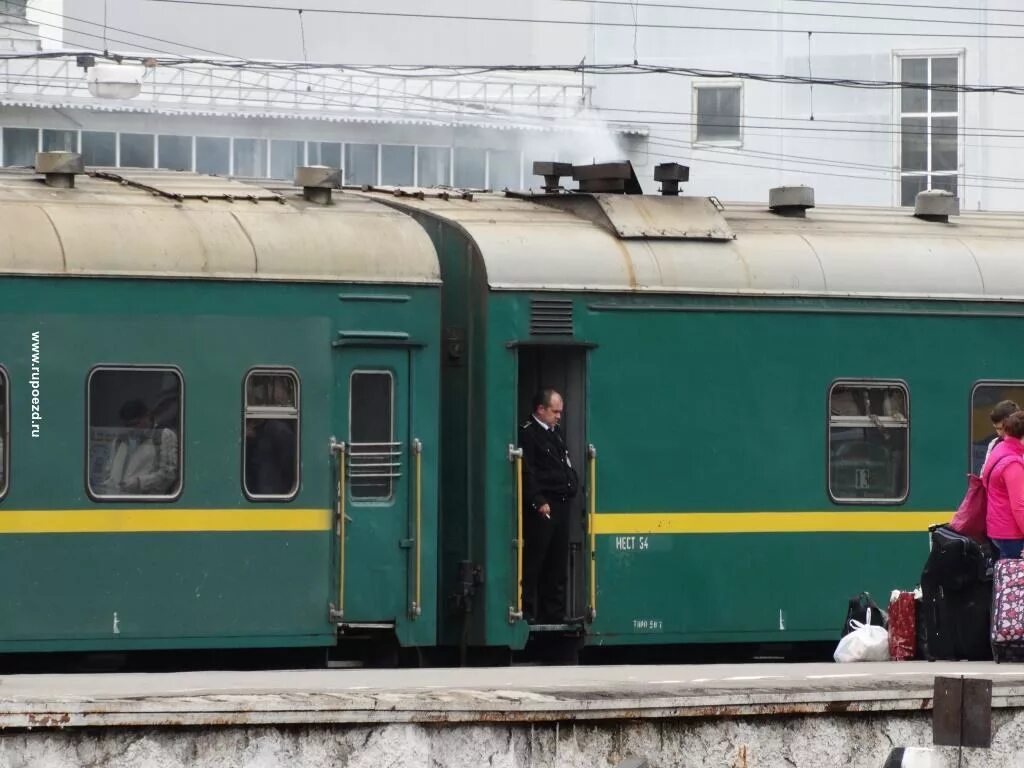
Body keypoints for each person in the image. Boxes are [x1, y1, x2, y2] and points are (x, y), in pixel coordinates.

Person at [519, 388, 578, 623]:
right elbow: (526, 471)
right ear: (540, 410)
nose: (559, 416)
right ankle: (528, 612)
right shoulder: (528, 434)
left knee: (557, 561)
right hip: (543, 506)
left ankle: (553, 612)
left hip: (561, 503)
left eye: (561, 412)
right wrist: (537, 500)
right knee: (536, 560)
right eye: (555, 411)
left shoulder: (556, 433)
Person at [101, 399, 178, 495]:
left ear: (147, 417)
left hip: (145, 503)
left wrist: (140, 483)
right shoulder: (119, 441)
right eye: (127, 426)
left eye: (136, 424)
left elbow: (168, 474)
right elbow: (108, 471)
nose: (132, 429)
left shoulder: (162, 435)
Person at [985, 411, 1024, 559]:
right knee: (1015, 579)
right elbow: (1019, 507)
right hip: (1012, 533)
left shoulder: (1000, 449)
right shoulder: (1013, 463)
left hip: (997, 528)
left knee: (1005, 578)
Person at [982, 400, 1020, 474]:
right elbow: (984, 474)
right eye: (997, 428)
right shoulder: (993, 444)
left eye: (1004, 428)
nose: (1000, 433)